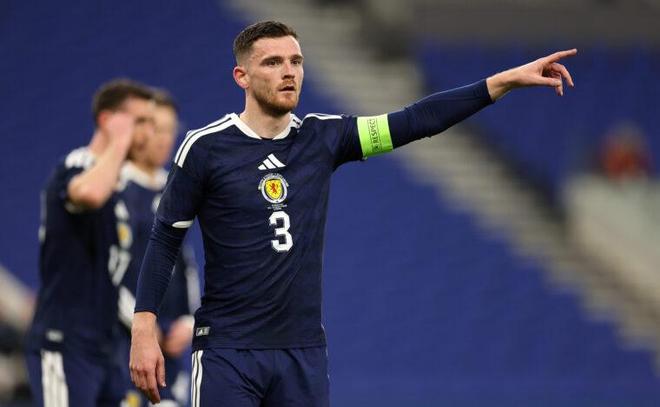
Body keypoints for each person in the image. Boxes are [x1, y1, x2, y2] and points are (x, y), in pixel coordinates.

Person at [129, 21, 576, 406]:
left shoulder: (325, 138)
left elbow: (415, 120)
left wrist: (502, 83)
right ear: (241, 76)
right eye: (273, 62)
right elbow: (165, 238)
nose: (289, 72)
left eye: (296, 61)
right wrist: (144, 326)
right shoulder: (205, 148)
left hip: (302, 353)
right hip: (229, 352)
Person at [26, 79, 156, 406]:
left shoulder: (121, 191)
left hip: (104, 346)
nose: (147, 134)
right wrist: (120, 139)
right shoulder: (79, 165)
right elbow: (89, 193)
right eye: (139, 122)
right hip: (66, 342)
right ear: (107, 120)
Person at [116, 90, 200, 407]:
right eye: (157, 129)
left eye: (170, 130)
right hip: (123, 342)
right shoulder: (116, 187)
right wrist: (142, 325)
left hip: (169, 345)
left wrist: (189, 320)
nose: (165, 139)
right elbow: (108, 272)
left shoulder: (174, 186)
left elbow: (185, 261)